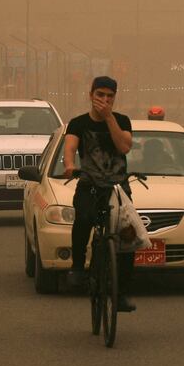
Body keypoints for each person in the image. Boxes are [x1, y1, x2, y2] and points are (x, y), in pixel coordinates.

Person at [64, 76, 136, 312]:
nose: (105, 100)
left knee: (128, 234)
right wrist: (68, 164)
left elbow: (124, 147)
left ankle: (121, 293)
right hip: (90, 185)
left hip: (117, 188)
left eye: (109, 96)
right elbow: (71, 147)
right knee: (83, 218)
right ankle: (77, 268)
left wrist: (109, 119)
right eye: (100, 95)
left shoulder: (122, 120)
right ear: (91, 95)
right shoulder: (78, 123)